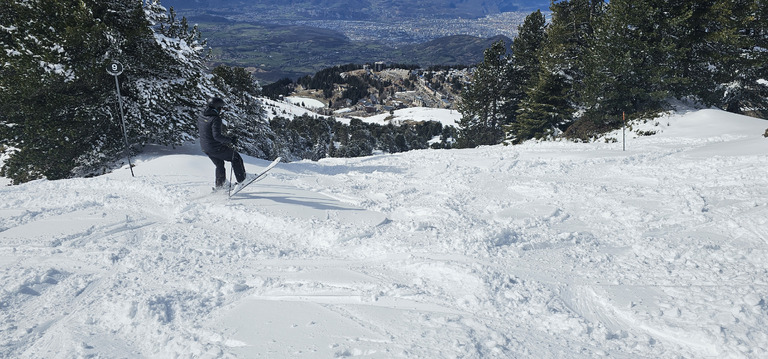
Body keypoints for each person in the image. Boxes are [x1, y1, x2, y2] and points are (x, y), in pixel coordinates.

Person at [197, 97, 256, 191]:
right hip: (214, 147)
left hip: (205, 147)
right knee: (235, 157)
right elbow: (217, 137)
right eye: (221, 107)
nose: (221, 110)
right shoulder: (215, 119)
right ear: (217, 108)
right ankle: (242, 180)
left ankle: (220, 186)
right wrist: (231, 140)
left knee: (219, 164)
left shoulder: (202, 114)